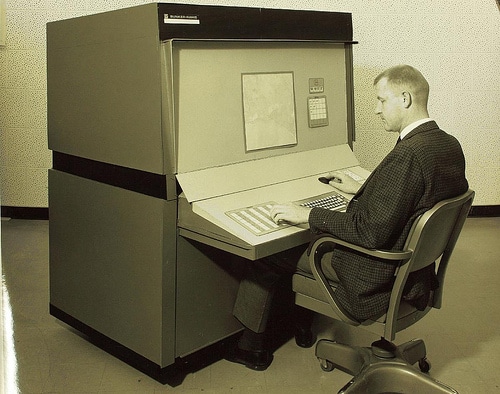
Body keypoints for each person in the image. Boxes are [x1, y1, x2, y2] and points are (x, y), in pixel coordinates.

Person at [226, 65, 469, 371]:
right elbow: (416, 197)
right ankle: (301, 328)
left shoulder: (407, 155)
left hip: (374, 277)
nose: (377, 110)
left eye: (382, 101)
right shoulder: (446, 144)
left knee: (271, 254)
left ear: (405, 98)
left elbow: (368, 233)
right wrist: (362, 189)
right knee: (307, 241)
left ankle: (252, 349)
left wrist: (307, 214)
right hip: (415, 275)